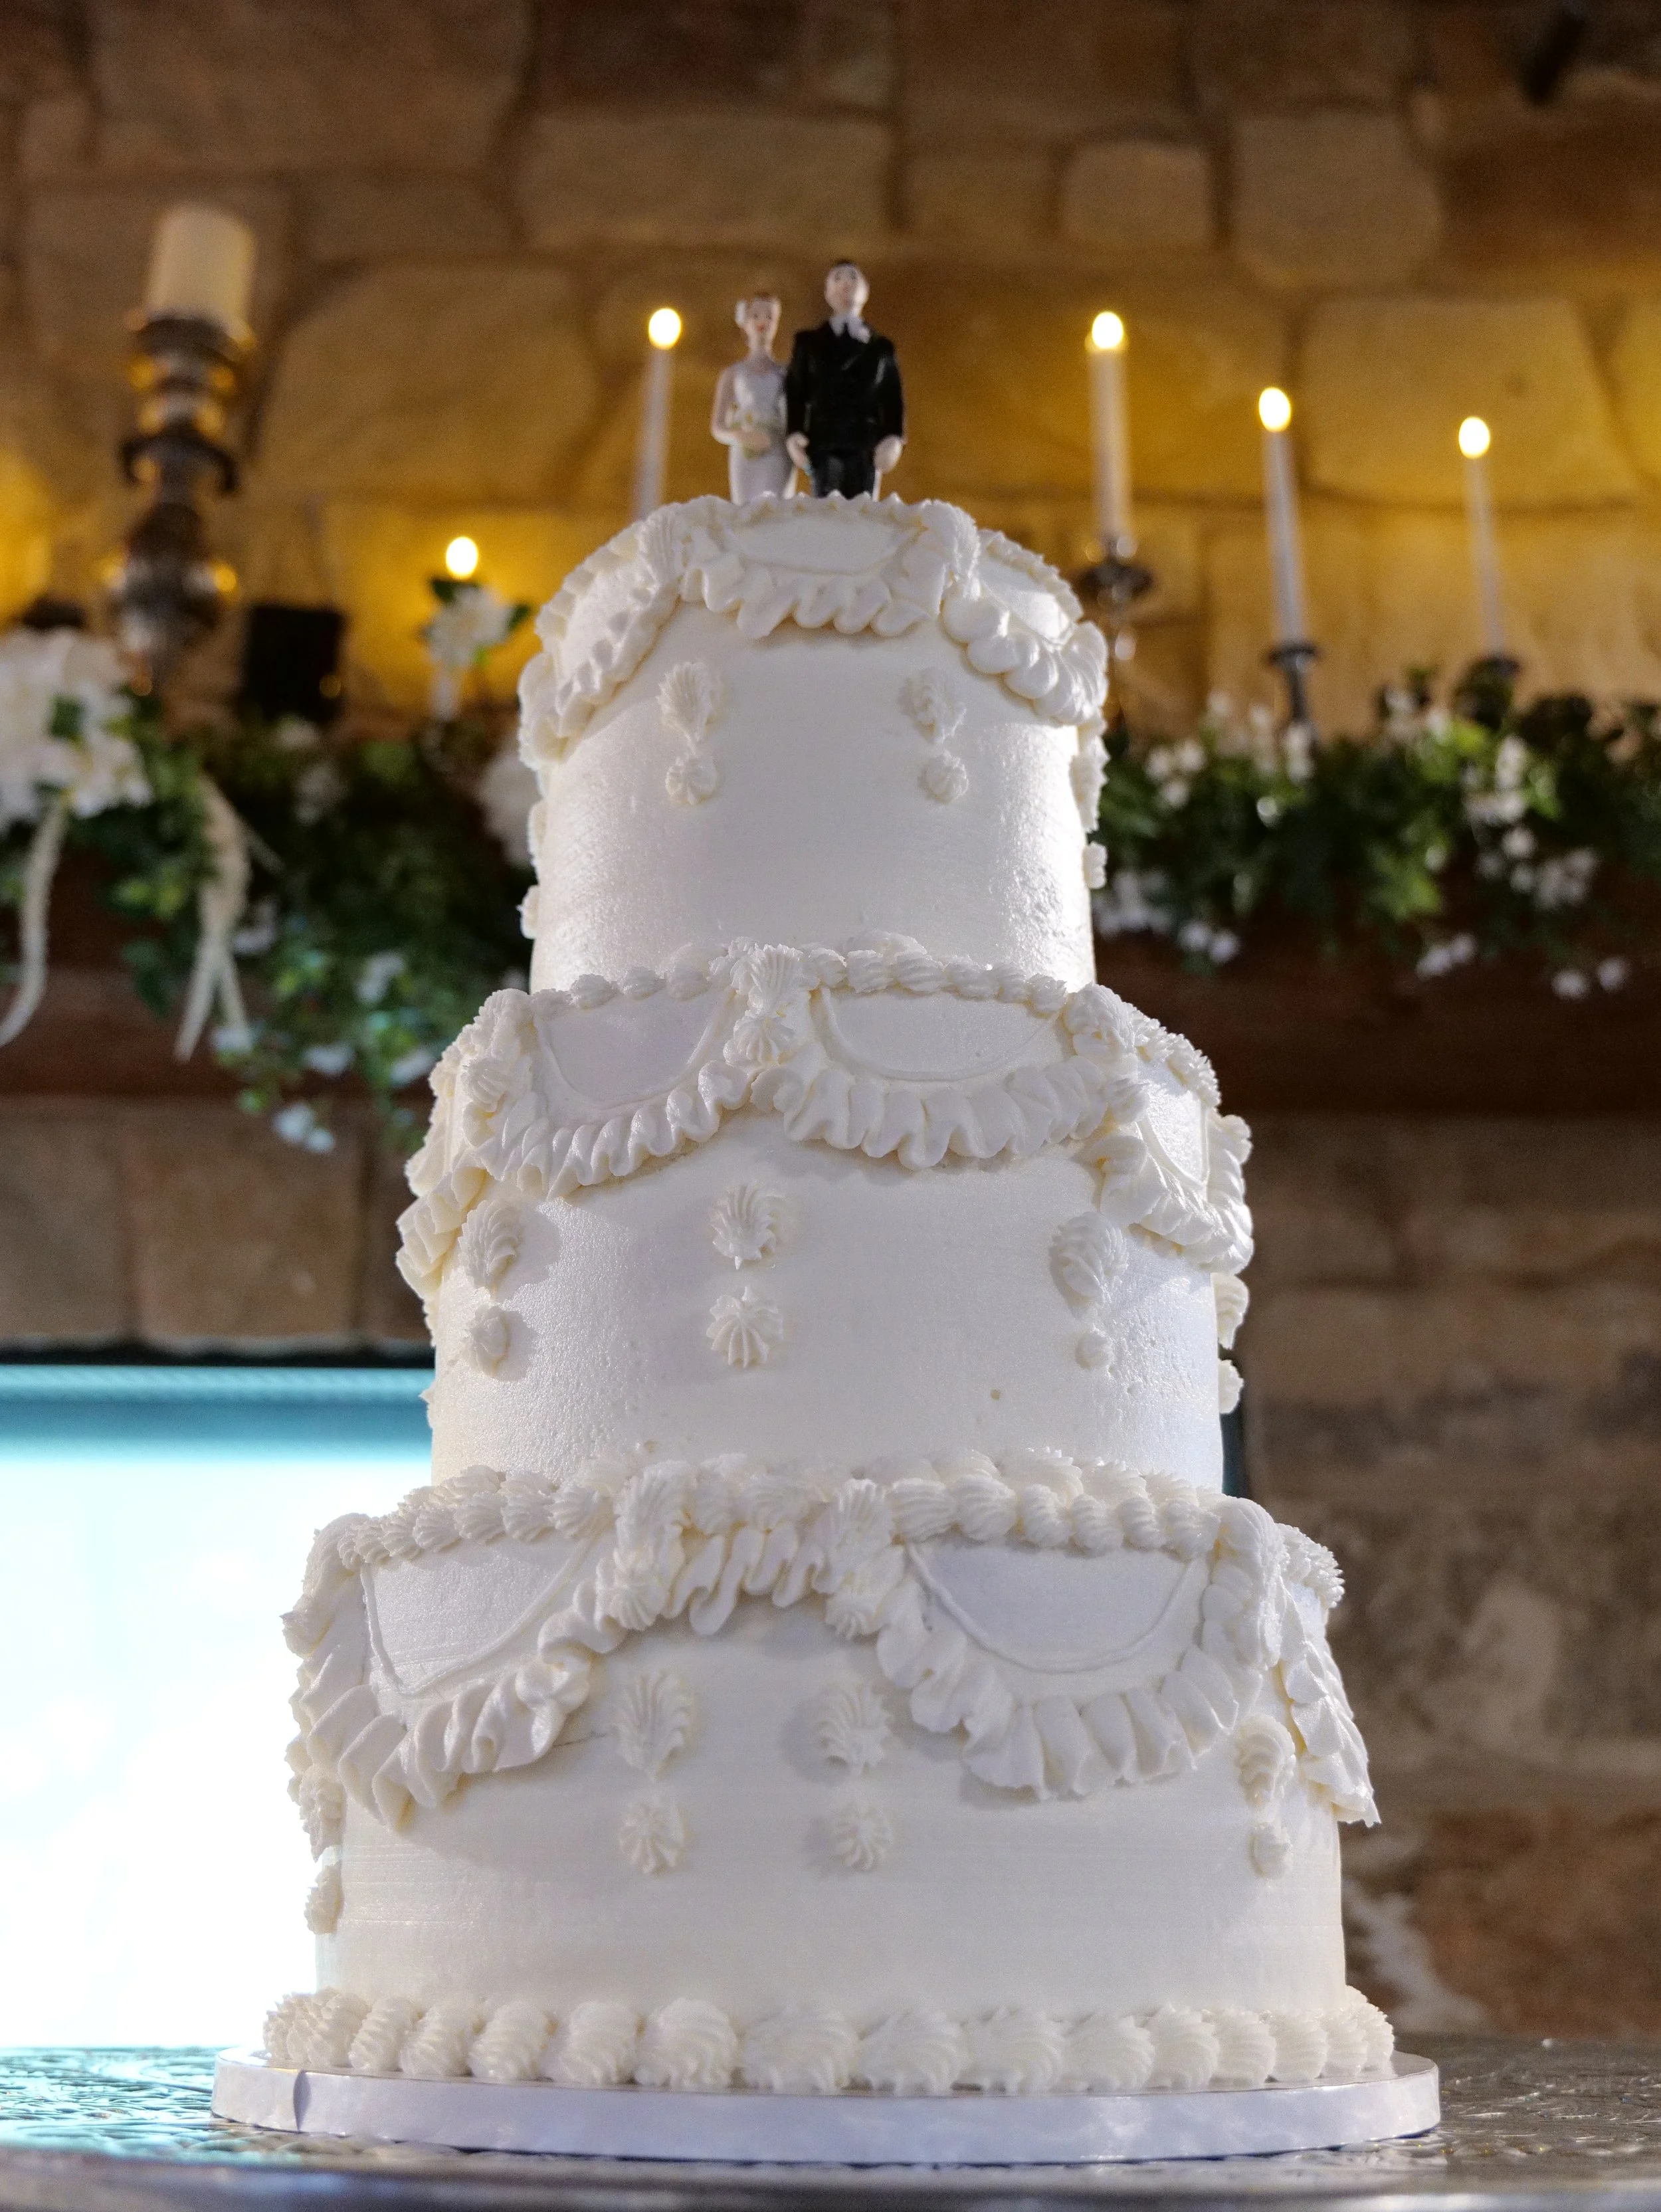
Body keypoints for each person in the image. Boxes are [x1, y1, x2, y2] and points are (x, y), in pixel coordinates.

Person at [784, 263, 904, 499]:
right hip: (824, 442)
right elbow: (795, 392)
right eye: (838, 278)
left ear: (865, 291)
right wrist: (794, 432)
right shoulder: (808, 343)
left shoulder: (881, 348)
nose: (846, 283)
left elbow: (892, 398)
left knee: (863, 511)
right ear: (828, 292)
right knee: (826, 511)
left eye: (853, 278)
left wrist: (894, 438)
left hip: (865, 446)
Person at [710, 295, 791, 502]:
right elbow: (718, 426)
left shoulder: (785, 373)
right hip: (746, 454)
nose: (762, 321)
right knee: (746, 511)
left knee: (776, 507)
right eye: (755, 315)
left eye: (770, 317)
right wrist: (742, 436)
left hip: (777, 449)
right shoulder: (734, 374)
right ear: (746, 323)